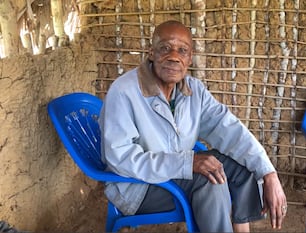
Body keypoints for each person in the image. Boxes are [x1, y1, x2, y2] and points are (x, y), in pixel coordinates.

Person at [99, 20, 287, 232]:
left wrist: (268, 173)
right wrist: (186, 163)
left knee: (241, 168)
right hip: (137, 187)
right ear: (151, 52)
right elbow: (121, 159)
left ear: (189, 58)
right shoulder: (124, 91)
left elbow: (230, 130)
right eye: (165, 48)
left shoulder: (193, 91)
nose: (173, 56)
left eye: (182, 50)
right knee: (209, 181)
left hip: (176, 174)